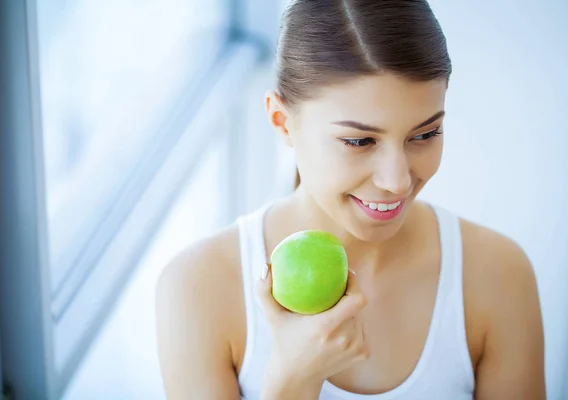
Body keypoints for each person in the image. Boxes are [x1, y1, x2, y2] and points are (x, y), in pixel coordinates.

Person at [155, 0, 546, 399]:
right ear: (281, 121)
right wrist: (292, 383)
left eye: (425, 134)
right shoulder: (199, 287)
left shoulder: (497, 274)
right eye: (359, 141)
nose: (396, 181)